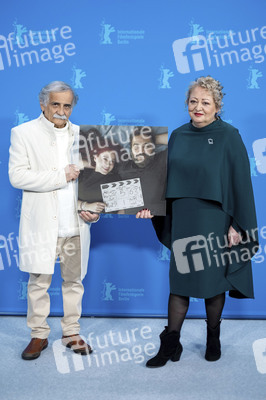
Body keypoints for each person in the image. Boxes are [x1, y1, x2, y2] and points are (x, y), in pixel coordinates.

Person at [137, 76, 259, 367]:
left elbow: (240, 184)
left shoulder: (230, 136)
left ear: (217, 106)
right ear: (187, 104)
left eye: (205, 102)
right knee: (179, 284)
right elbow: (162, 180)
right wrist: (150, 208)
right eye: (193, 101)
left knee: (212, 283)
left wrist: (236, 225)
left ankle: (213, 337)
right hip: (183, 217)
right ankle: (170, 345)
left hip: (215, 220)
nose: (198, 107)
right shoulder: (177, 136)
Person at [9, 81, 99, 360]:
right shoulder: (23, 133)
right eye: (56, 104)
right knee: (38, 282)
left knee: (74, 282)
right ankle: (38, 335)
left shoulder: (86, 136)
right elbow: (18, 176)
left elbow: (96, 181)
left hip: (75, 225)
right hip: (42, 225)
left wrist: (94, 210)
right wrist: (61, 175)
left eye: (67, 105)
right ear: (43, 104)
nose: (61, 110)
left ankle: (71, 331)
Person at [118, 126, 167, 215]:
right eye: (136, 147)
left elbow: (180, 140)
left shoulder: (161, 160)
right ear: (131, 149)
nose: (141, 151)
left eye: (147, 146)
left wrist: (154, 139)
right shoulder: (122, 166)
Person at [78, 131, 122, 214]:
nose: (108, 164)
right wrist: (86, 206)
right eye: (105, 159)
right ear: (95, 157)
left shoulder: (116, 179)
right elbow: (66, 200)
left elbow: (122, 208)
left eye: (112, 161)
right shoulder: (82, 173)